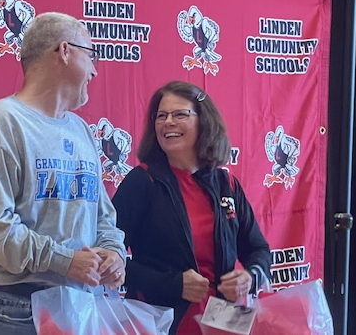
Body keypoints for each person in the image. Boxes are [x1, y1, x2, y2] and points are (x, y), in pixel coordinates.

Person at [0, 12, 126, 335]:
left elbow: (102, 214)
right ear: (64, 51)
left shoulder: (82, 131)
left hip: (80, 307)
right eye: (90, 56)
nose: (94, 70)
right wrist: (65, 260)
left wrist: (114, 254)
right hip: (15, 311)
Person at [112, 80, 271, 335]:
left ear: (203, 121)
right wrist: (173, 285)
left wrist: (251, 278)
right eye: (161, 116)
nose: (168, 122)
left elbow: (259, 249)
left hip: (225, 322)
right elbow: (110, 260)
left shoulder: (226, 183)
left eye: (179, 114)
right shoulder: (142, 181)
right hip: (160, 323)